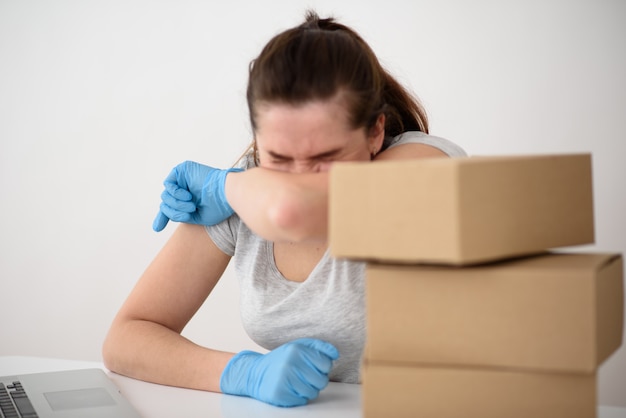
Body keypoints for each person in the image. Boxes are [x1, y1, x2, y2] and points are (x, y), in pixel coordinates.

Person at [102, 10, 467, 408]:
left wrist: (225, 185)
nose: (297, 177)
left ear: (375, 132)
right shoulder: (246, 191)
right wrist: (242, 373)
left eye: (326, 158)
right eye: (278, 157)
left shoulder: (425, 160)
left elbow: (293, 210)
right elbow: (126, 338)